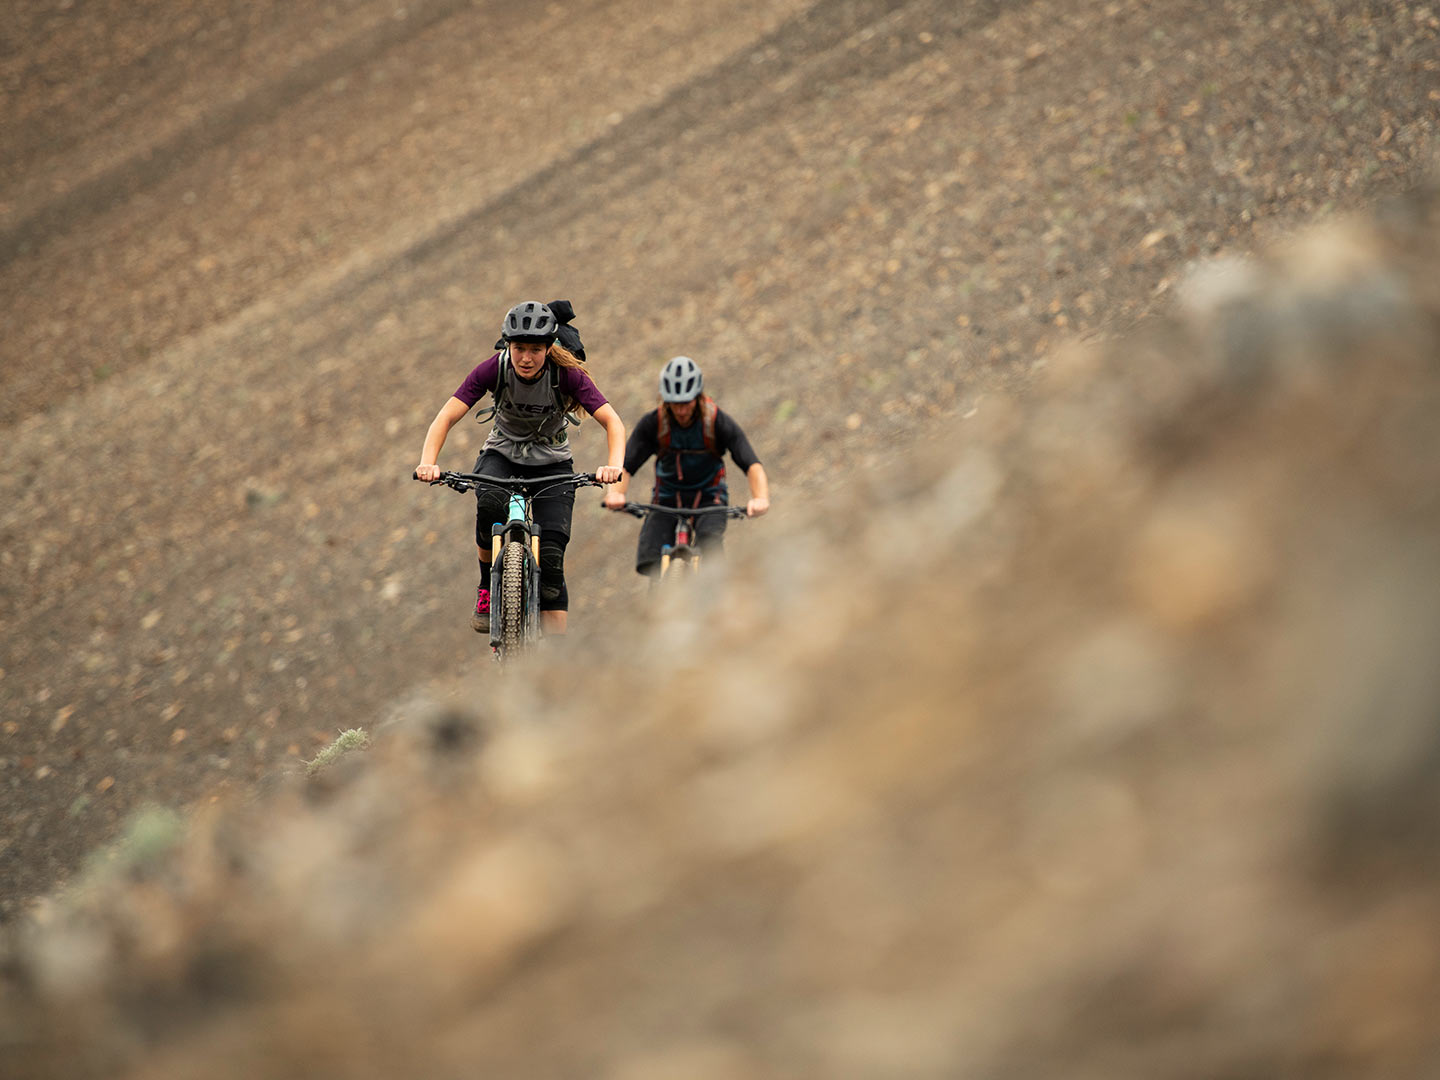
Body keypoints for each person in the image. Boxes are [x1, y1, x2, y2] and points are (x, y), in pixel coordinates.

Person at [415, 300, 625, 635]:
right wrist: (429, 462)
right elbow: (447, 416)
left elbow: (613, 423)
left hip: (552, 464)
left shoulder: (567, 376)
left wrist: (613, 470)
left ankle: (553, 662)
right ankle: (486, 588)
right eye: (519, 348)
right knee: (488, 507)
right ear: (508, 346)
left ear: (549, 348)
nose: (526, 358)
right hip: (502, 455)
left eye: (535, 349)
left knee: (552, 559)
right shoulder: (493, 369)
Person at [603, 356, 769, 575]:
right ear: (665, 400)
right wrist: (615, 493)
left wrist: (760, 498)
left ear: (698, 397)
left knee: (711, 554)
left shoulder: (716, 421)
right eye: (675, 403)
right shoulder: (654, 423)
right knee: (649, 557)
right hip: (667, 498)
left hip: (710, 497)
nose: (681, 410)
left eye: (687, 402)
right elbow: (626, 466)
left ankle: (716, 604)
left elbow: (751, 464)